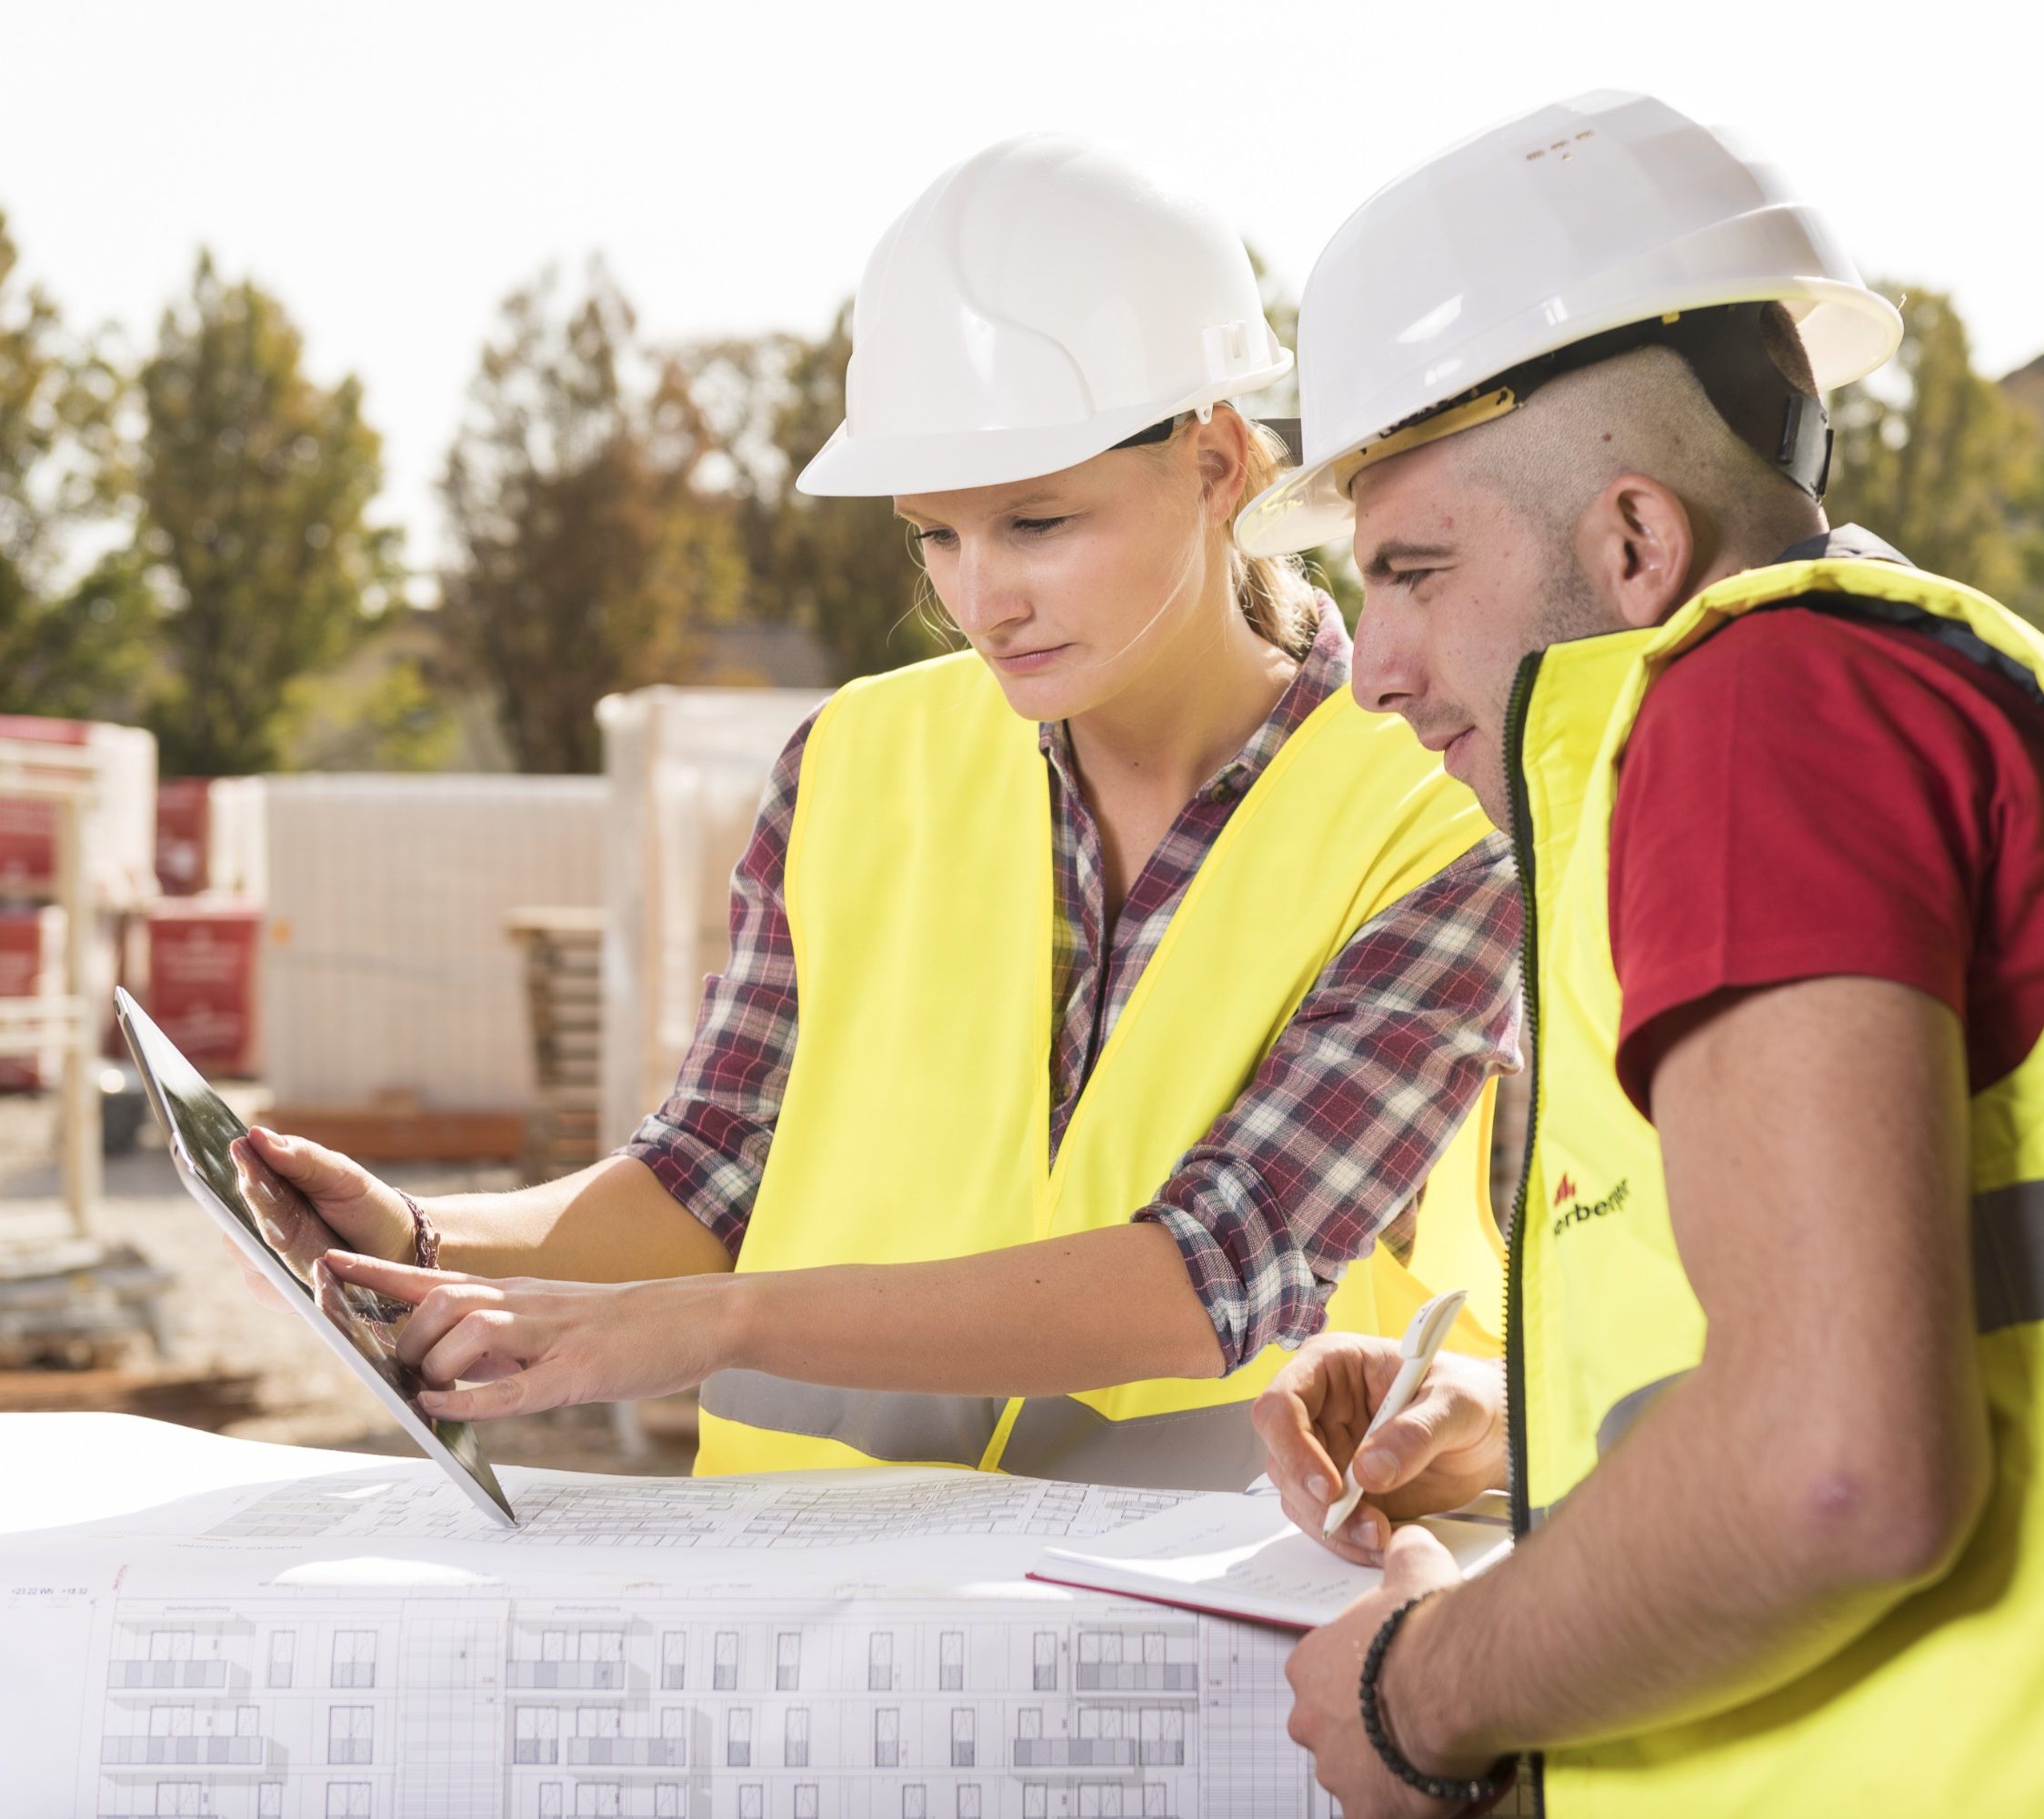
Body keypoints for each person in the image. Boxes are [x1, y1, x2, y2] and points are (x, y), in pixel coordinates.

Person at [1238, 90, 2044, 1815]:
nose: (1373, 666)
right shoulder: (1896, 692)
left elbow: (1831, 1465)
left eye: (1414, 571)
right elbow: (1979, 1331)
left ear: (1635, 541)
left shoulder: (1759, 708)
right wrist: (1541, 1445)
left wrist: (1421, 1685)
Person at [251, 134, 1519, 1491]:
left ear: (1217, 464)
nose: (982, 600)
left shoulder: (1439, 810)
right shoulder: (851, 764)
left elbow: (1223, 1264)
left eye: (1038, 523)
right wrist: (422, 1236)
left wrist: (702, 1328)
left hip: (1217, 1632)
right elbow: (709, 1177)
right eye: (937, 533)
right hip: (809, 1621)